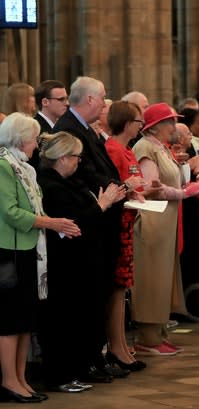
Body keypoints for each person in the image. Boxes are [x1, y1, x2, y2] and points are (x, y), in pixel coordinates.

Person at [37, 132, 127, 391]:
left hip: (85, 261)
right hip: (65, 263)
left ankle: (79, 368)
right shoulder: (50, 185)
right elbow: (74, 223)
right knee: (64, 320)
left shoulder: (72, 181)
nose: (79, 162)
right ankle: (60, 375)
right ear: (63, 158)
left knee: (82, 317)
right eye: (76, 157)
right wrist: (102, 204)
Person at [0, 114, 80, 401]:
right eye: (34, 138)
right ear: (21, 139)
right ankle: (9, 381)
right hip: (9, 250)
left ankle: (21, 379)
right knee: (10, 320)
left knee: (25, 319)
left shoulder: (24, 168)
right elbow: (10, 212)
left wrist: (57, 223)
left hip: (29, 250)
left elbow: (37, 207)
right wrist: (50, 223)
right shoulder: (3, 166)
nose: (37, 144)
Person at [131, 103, 199, 356]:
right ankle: (148, 337)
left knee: (165, 277)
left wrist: (191, 186)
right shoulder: (144, 147)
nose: (173, 127)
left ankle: (159, 333)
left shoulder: (160, 147)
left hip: (166, 222)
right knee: (152, 279)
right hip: (153, 222)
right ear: (155, 127)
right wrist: (187, 192)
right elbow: (153, 187)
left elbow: (171, 179)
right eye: (169, 122)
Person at [103, 100, 149, 371]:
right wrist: (128, 189)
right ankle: (116, 347)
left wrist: (139, 191)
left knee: (122, 288)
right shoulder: (112, 148)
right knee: (117, 287)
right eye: (138, 122)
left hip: (129, 221)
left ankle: (121, 345)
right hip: (118, 224)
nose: (140, 126)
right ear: (127, 123)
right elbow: (113, 185)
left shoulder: (127, 150)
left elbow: (134, 182)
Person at [31, 80, 69, 170]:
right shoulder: (35, 128)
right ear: (45, 102)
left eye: (67, 98)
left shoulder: (61, 126)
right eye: (61, 99)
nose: (67, 103)